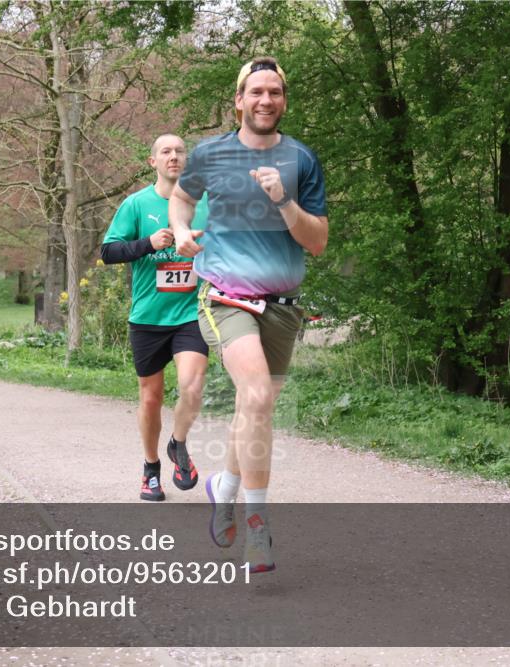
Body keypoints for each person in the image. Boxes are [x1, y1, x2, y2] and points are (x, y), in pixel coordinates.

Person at [169, 57, 328, 573]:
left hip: (283, 308)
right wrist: (184, 230)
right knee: (256, 395)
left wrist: (283, 201)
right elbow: (181, 199)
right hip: (226, 297)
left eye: (275, 93)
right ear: (238, 100)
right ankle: (257, 528)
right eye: (256, 92)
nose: (265, 101)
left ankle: (226, 485)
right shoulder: (211, 153)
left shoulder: (302, 159)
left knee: (254, 409)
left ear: (284, 101)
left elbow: (318, 241)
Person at [101, 134, 210, 501]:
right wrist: (149, 244)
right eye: (166, 152)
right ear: (154, 162)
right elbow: (108, 252)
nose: (174, 156)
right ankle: (150, 467)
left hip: (190, 314)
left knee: (192, 386)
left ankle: (178, 444)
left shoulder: (205, 204)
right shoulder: (136, 205)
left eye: (180, 151)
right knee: (151, 398)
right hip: (147, 317)